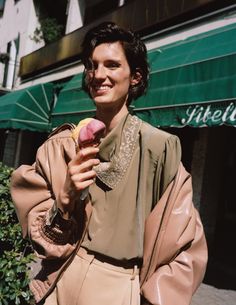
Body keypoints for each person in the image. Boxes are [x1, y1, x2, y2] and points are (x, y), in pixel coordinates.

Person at [11, 21, 208, 305]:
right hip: (60, 280)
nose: (98, 74)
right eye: (92, 65)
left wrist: (152, 298)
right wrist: (65, 199)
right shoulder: (59, 146)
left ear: (136, 76)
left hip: (120, 288)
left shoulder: (159, 148)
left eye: (112, 65)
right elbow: (39, 237)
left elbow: (187, 247)